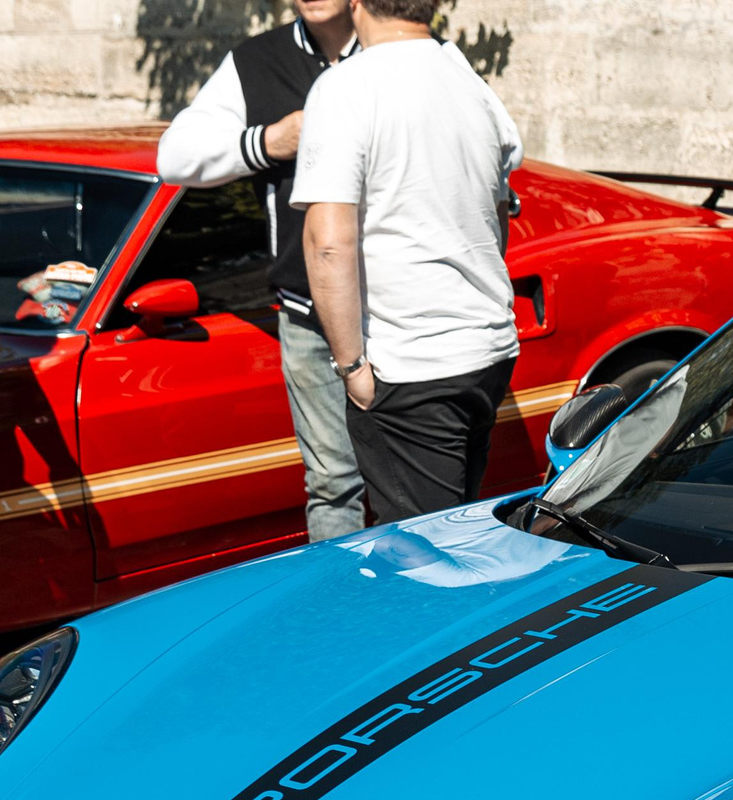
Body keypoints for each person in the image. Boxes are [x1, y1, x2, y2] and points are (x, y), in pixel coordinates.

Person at [293, 0, 522, 526]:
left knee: (429, 559)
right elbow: (497, 211)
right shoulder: (467, 78)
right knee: (461, 533)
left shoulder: (347, 86)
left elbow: (328, 242)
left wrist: (352, 369)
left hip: (412, 364)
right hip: (486, 348)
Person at [158, 0, 361, 541]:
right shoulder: (257, 59)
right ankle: (346, 615)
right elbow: (175, 157)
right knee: (334, 483)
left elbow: (505, 145)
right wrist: (270, 141)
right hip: (306, 312)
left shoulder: (402, 49)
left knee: (409, 476)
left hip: (398, 304)